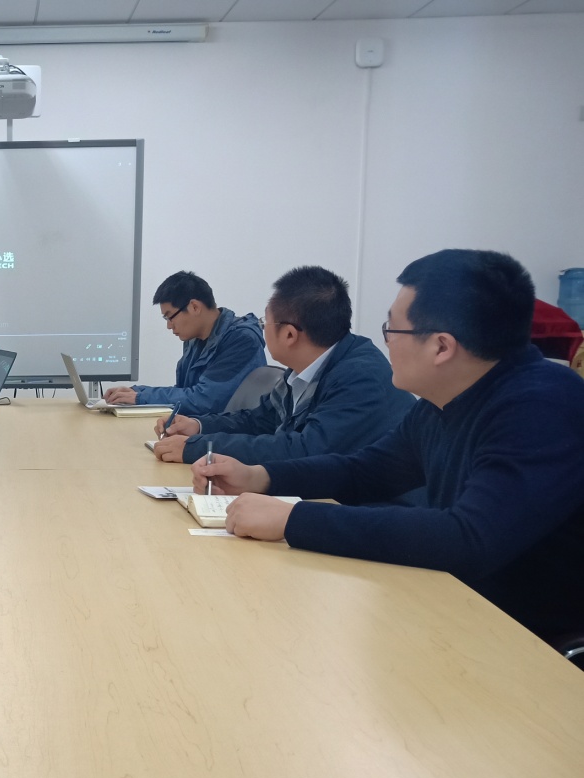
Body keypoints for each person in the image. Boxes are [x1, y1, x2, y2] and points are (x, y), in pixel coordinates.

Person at [196, 249, 584, 649]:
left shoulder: (542, 406)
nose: (386, 343)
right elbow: (365, 471)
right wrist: (260, 477)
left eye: (392, 331)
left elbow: (467, 539)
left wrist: (292, 519)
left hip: (530, 643)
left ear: (441, 347)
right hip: (452, 609)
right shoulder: (443, 401)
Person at [152, 266, 414, 464]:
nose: (262, 329)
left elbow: (303, 450)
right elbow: (260, 420)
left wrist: (201, 448)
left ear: (289, 334)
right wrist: (198, 426)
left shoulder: (360, 377)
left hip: (379, 508)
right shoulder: (303, 369)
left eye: (265, 323)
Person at [104, 271, 265, 411]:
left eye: (170, 317)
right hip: (199, 426)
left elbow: (205, 400)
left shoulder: (241, 340)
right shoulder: (195, 339)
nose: (169, 326)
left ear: (194, 307)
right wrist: (136, 392)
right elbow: (185, 391)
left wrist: (141, 397)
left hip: (223, 433)